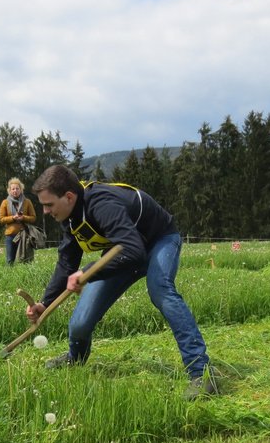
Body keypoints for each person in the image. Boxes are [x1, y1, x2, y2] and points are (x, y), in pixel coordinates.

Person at [28, 164, 218, 400]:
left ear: (68, 197)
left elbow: (134, 251)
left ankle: (201, 373)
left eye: (49, 205)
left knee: (161, 291)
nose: (45, 211)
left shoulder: (101, 204)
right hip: (123, 252)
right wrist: (45, 303)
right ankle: (75, 358)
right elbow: (67, 263)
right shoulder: (69, 217)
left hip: (159, 241)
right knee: (80, 322)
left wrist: (87, 272)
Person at [0, 177, 37, 265]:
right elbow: (1, 219)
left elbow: (33, 218)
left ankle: (25, 274)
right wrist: (13, 218)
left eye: (17, 188)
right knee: (10, 260)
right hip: (10, 236)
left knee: (25, 261)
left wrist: (23, 218)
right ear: (9, 190)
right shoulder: (5, 202)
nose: (15, 191)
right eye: (13, 189)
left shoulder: (27, 202)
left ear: (21, 189)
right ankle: (9, 274)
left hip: (24, 235)